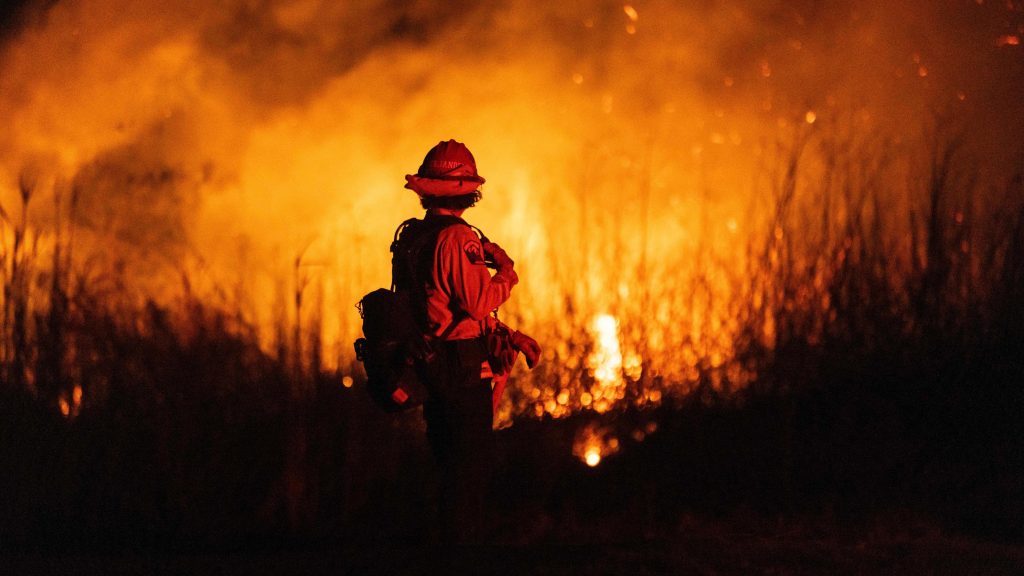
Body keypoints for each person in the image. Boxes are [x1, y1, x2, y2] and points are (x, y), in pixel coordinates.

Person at [394, 139, 541, 550]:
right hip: (460, 366)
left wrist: (509, 337)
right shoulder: (458, 239)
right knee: (469, 466)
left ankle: (445, 546)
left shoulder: (414, 235)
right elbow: (477, 303)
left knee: (447, 459)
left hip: (430, 361)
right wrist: (506, 272)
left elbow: (439, 303)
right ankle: (462, 553)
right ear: (467, 191)